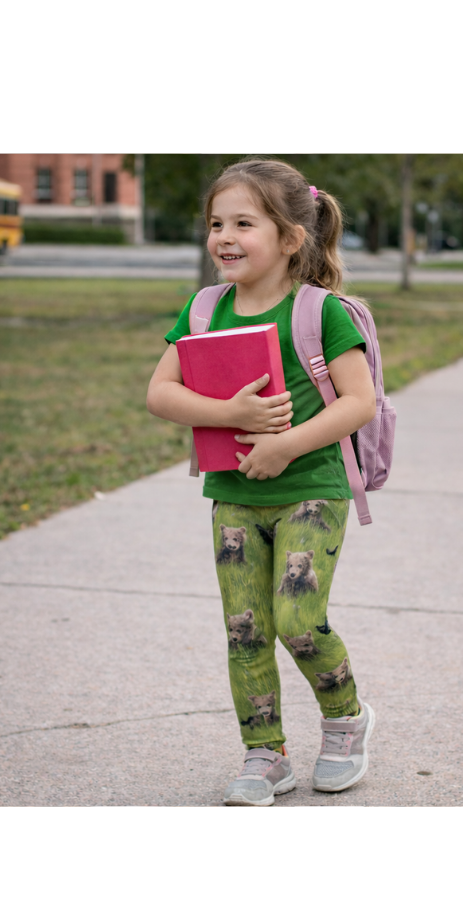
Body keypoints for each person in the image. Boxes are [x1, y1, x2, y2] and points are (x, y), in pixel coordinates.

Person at [147, 158, 377, 807]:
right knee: (246, 627)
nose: (224, 236)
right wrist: (230, 416)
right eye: (216, 222)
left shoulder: (321, 312)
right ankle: (266, 754)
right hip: (234, 497)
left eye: (243, 223)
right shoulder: (203, 308)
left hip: (313, 489)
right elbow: (160, 392)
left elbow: (357, 401)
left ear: (289, 238)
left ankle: (345, 723)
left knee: (298, 618)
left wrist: (285, 445)